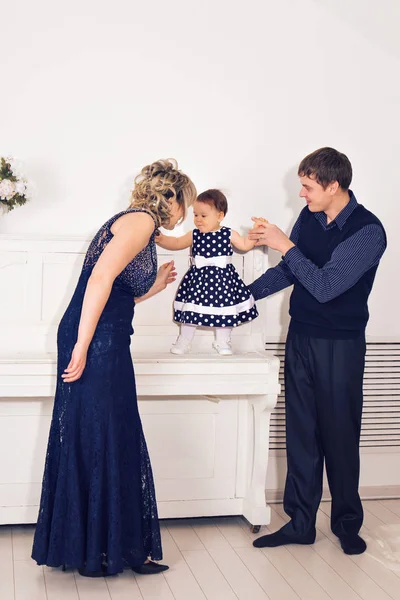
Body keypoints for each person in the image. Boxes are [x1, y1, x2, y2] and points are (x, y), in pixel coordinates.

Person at [31, 159, 197, 576]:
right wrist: (83, 345)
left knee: (105, 432)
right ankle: (113, 548)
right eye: (185, 205)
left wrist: (152, 290)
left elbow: (115, 294)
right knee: (107, 432)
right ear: (171, 198)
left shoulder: (138, 226)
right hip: (98, 340)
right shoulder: (140, 221)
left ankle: (103, 546)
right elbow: (100, 279)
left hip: (102, 334)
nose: (185, 214)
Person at [248, 147, 386, 555]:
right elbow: (292, 270)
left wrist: (283, 244)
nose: (303, 195)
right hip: (301, 337)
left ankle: (346, 523)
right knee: (302, 433)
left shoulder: (368, 231)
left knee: (340, 435)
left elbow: (325, 286)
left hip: (340, 344)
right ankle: (301, 523)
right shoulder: (309, 218)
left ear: (333, 185)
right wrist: (243, 297)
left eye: (308, 187)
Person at [156, 188, 258, 355]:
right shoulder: (194, 234)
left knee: (225, 309)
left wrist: (255, 233)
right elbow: (176, 243)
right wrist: (161, 239)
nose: (198, 220)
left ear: (220, 216)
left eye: (203, 216)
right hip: (198, 281)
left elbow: (245, 245)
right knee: (191, 309)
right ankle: (185, 340)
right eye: (195, 215)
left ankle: (223, 341)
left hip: (223, 281)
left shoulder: (228, 234)